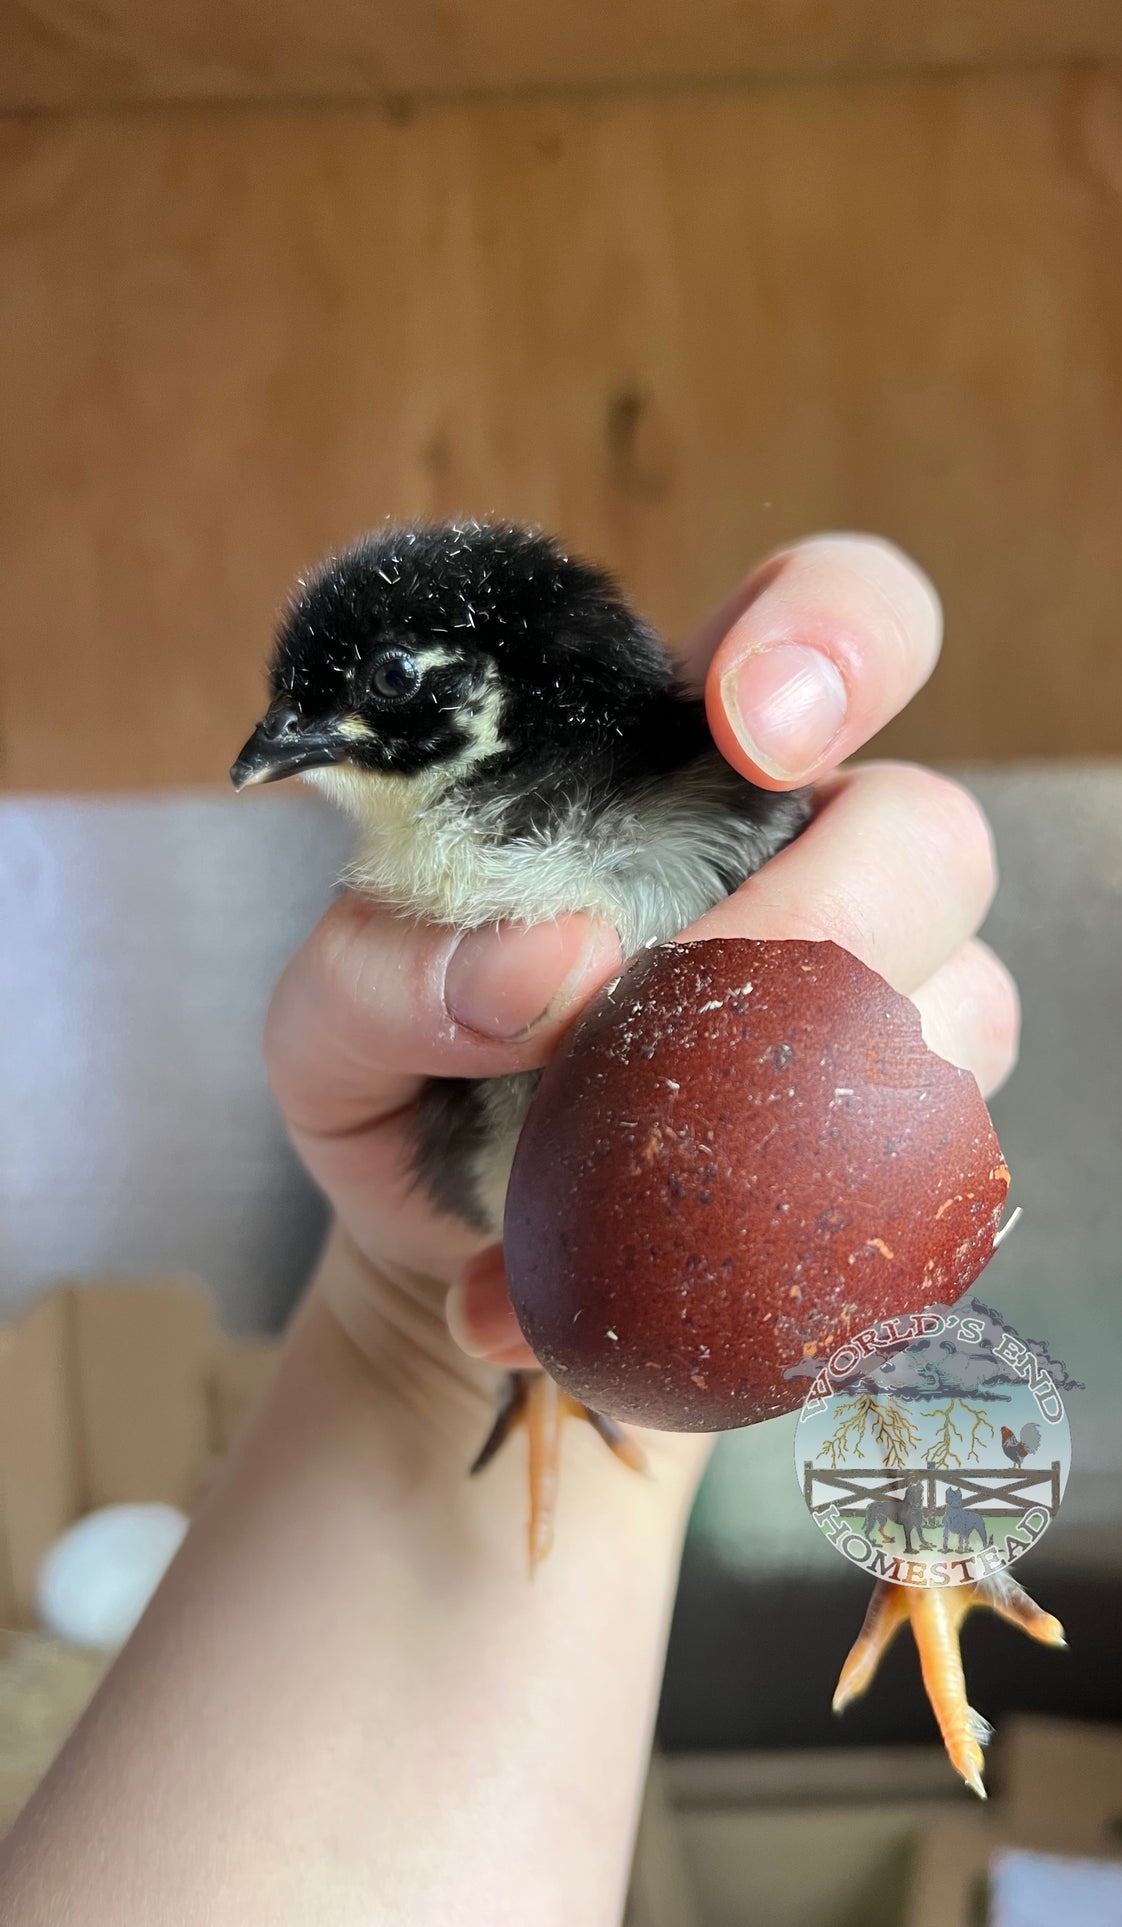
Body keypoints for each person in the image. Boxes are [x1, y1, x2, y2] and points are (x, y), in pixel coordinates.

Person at [0, 535, 1018, 1926]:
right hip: (546, 1313)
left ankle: (938, 1554)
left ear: (494, 685)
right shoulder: (442, 942)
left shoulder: (681, 804)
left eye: (379, 682)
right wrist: (473, 1333)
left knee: (897, 1297)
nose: (290, 740)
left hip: (699, 1278)